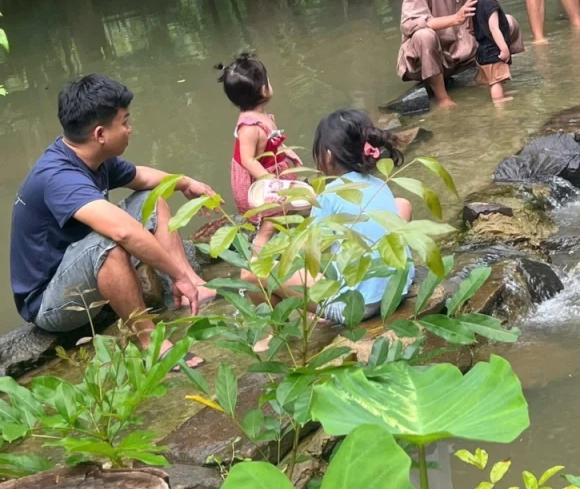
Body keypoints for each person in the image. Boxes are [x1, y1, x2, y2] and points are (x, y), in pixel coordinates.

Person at [10, 75, 217, 365]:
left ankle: (194, 286)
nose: (130, 129)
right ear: (100, 134)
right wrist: (177, 275)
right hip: (50, 301)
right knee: (107, 243)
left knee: (152, 198)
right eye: (124, 121)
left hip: (81, 266)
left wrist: (185, 182)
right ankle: (151, 343)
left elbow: (141, 177)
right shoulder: (59, 177)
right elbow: (123, 232)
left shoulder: (91, 156)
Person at [240, 110, 414, 329]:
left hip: (358, 306)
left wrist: (266, 232)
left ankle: (276, 336)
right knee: (402, 204)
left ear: (328, 156)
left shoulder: (328, 197)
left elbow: (307, 259)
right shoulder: (381, 184)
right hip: (398, 288)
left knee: (250, 273)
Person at [396, 0, 523, 109]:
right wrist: (455, 19)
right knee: (424, 35)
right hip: (433, 54)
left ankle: (489, 76)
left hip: (468, 52)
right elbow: (410, 24)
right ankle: (442, 97)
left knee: (507, 22)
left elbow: (491, 12)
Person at [216, 52, 302, 216]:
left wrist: (285, 150)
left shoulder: (261, 114)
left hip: (271, 165)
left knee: (284, 207)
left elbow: (272, 138)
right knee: (271, 214)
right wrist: (270, 180)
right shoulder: (248, 128)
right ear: (263, 90)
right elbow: (248, 160)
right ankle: (262, 231)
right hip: (260, 175)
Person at [471, 0, 516, 104]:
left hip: (482, 50)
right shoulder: (491, 5)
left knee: (492, 77)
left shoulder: (476, 2)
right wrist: (504, 49)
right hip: (493, 50)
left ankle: (497, 93)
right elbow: (494, 28)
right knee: (496, 80)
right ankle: (499, 101)